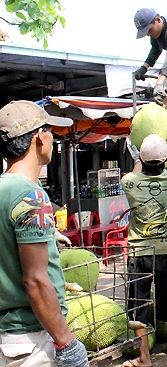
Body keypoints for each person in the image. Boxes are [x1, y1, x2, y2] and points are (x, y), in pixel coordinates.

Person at [0, 100, 88, 367]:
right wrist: (66, 343)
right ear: (39, 137)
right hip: (30, 340)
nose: (53, 139)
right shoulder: (31, 197)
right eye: (50, 131)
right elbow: (35, 281)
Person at [121, 119, 167, 367]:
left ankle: (145, 357)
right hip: (166, 250)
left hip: (140, 252)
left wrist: (136, 155)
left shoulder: (129, 182)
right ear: (165, 161)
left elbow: (137, 170)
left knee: (138, 301)